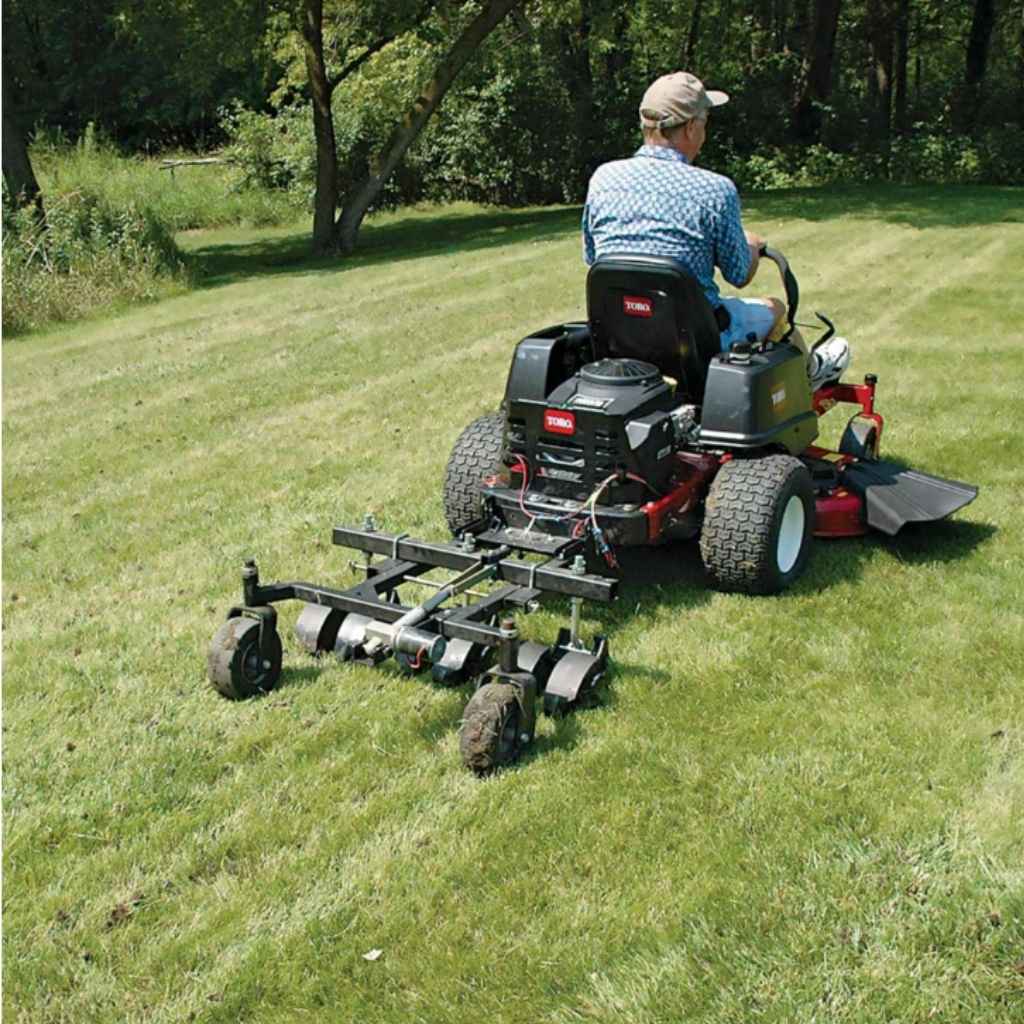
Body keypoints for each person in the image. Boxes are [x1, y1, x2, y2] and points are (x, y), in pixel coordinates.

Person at [582, 71, 849, 389]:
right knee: (775, 309)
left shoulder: (603, 179)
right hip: (695, 338)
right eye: (705, 122)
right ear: (692, 127)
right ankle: (811, 377)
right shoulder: (714, 190)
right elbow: (739, 274)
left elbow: (594, 258)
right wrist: (751, 245)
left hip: (623, 334)